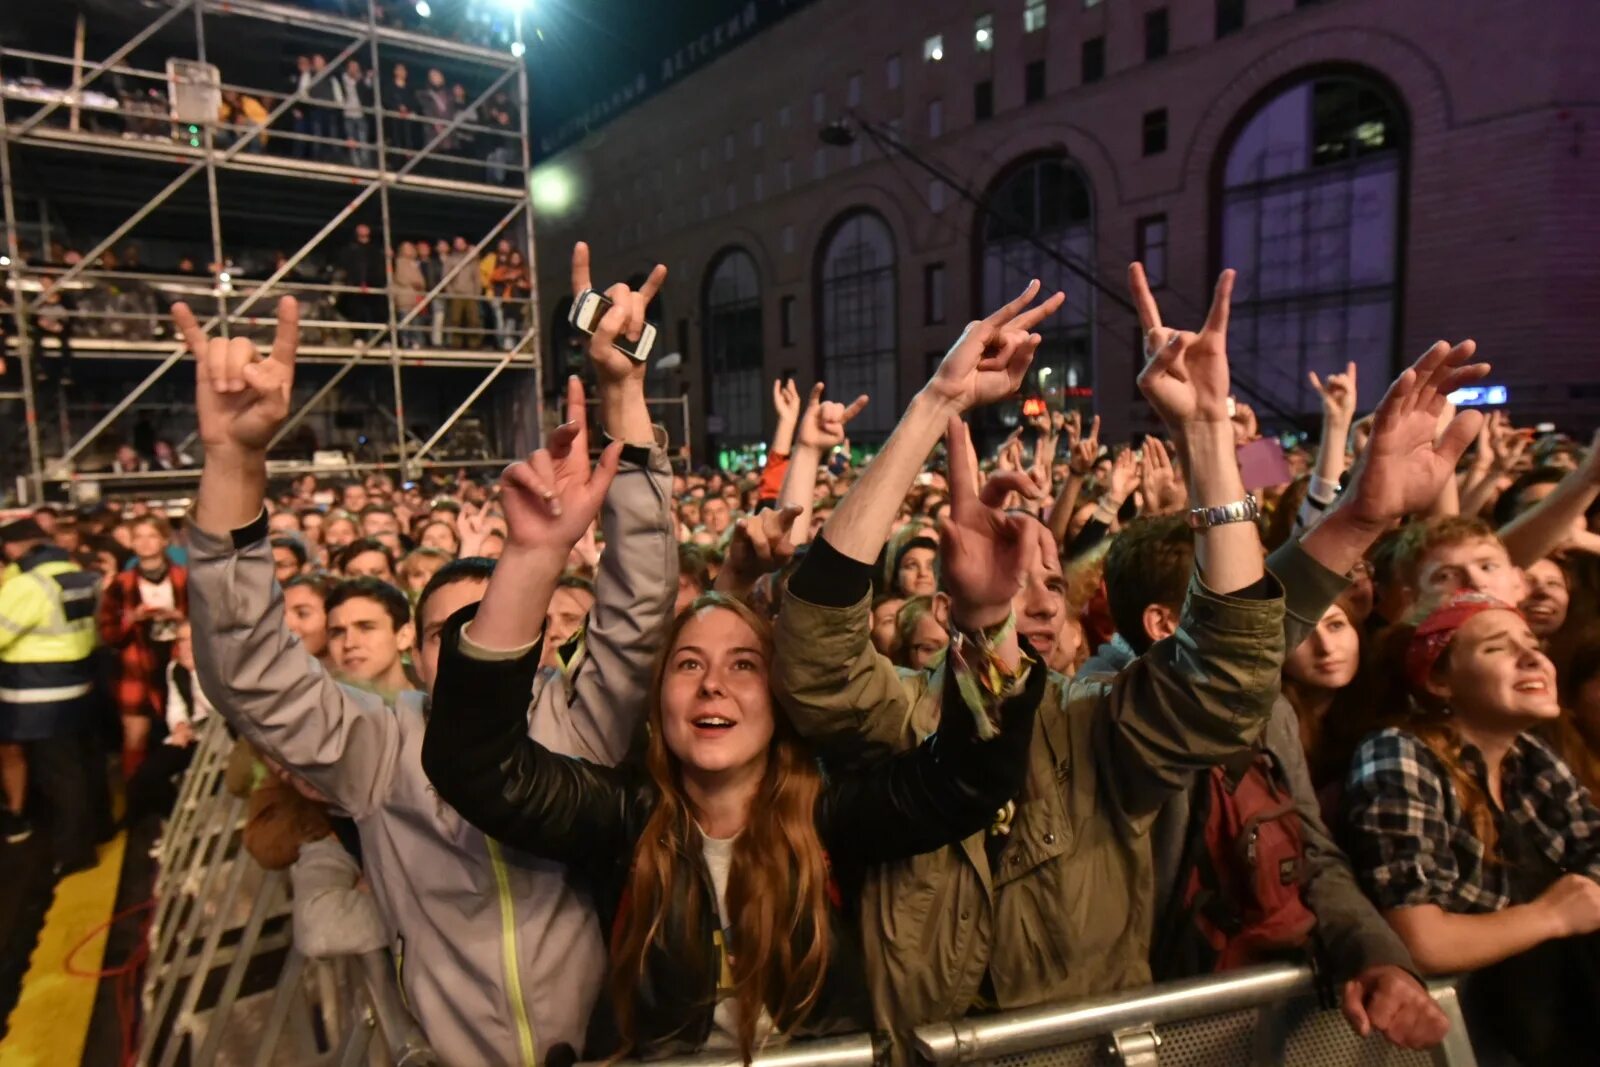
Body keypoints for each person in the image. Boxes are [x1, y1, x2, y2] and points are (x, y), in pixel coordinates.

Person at [771, 268, 1486, 1054]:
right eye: (1009, 573)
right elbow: (817, 655)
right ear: (946, 603)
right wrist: (934, 405)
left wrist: (1215, 438)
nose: (1034, 597)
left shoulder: (1101, 727)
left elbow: (1227, 672)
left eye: (1052, 581)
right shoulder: (902, 714)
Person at [174, 240, 676, 1065]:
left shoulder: (578, 721)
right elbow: (248, 672)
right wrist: (234, 463)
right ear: (413, 660)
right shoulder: (380, 746)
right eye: (451, 633)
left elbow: (643, 601)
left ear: (537, 641)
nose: (481, 644)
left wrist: (623, 390)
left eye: (496, 621)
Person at [419, 413, 1044, 1062]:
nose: (713, 685)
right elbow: (477, 765)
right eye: (688, 664)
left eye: (744, 665)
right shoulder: (625, 816)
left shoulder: (827, 812)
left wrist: (986, 620)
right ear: (659, 700)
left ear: (777, 698)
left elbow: (968, 781)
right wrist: (532, 556)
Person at [1344, 593, 1600, 1064]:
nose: (1532, 658)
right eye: (1497, 647)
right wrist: (1553, 916)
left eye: (1533, 644)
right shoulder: (1398, 753)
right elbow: (1421, 940)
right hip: (1468, 1037)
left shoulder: (1529, 756)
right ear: (1439, 680)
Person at [0, 518, 107, 871]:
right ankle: (99, 829)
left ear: (14, 548)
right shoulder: (79, 575)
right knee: (82, 766)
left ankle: (74, 854)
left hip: (38, 693)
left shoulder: (28, 585)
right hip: (78, 684)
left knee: (58, 777)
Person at [98, 515, 188, 778]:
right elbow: (107, 632)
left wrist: (180, 618)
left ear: (164, 540)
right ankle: (135, 795)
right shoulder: (121, 583)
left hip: (179, 659)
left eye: (152, 536)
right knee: (135, 737)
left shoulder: (184, 578)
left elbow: (207, 622)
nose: (146, 543)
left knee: (183, 731)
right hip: (136, 665)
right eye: (139, 537)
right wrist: (131, 619)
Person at [324, 578, 413, 696]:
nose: (349, 643)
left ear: (404, 637)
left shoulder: (434, 699)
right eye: (338, 633)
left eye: (366, 628)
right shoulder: (315, 704)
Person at [338, 223, 387, 329]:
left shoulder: (375, 249)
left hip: (375, 285)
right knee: (357, 313)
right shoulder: (351, 248)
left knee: (377, 314)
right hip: (356, 286)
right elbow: (348, 267)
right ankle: (359, 335)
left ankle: (378, 335)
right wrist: (357, 281)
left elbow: (379, 267)